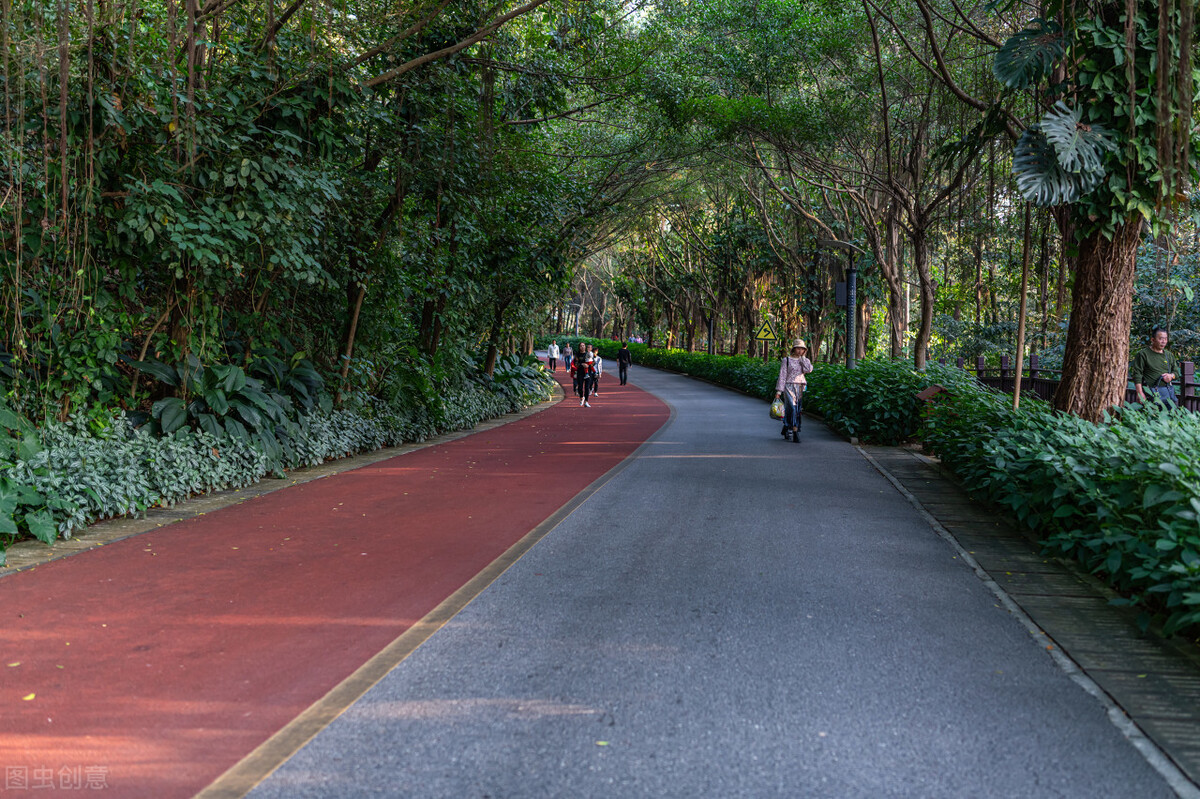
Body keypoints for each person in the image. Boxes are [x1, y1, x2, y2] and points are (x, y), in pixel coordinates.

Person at [774, 338, 813, 443]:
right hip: (788, 386)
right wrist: (779, 391)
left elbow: (808, 370)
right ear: (794, 349)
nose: (800, 351)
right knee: (792, 407)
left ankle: (787, 427)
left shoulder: (805, 360)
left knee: (797, 410)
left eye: (802, 349)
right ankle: (795, 432)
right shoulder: (786, 360)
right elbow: (782, 376)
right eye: (798, 348)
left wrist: (803, 359)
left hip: (800, 386)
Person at [1132, 326, 1180, 406]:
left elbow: (1177, 373)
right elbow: (1137, 374)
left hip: (1167, 395)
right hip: (1150, 394)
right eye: (1161, 338)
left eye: (1165, 339)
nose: (1163, 341)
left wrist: (1171, 376)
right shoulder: (1143, 354)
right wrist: (1140, 393)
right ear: (1153, 340)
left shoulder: (1169, 355)